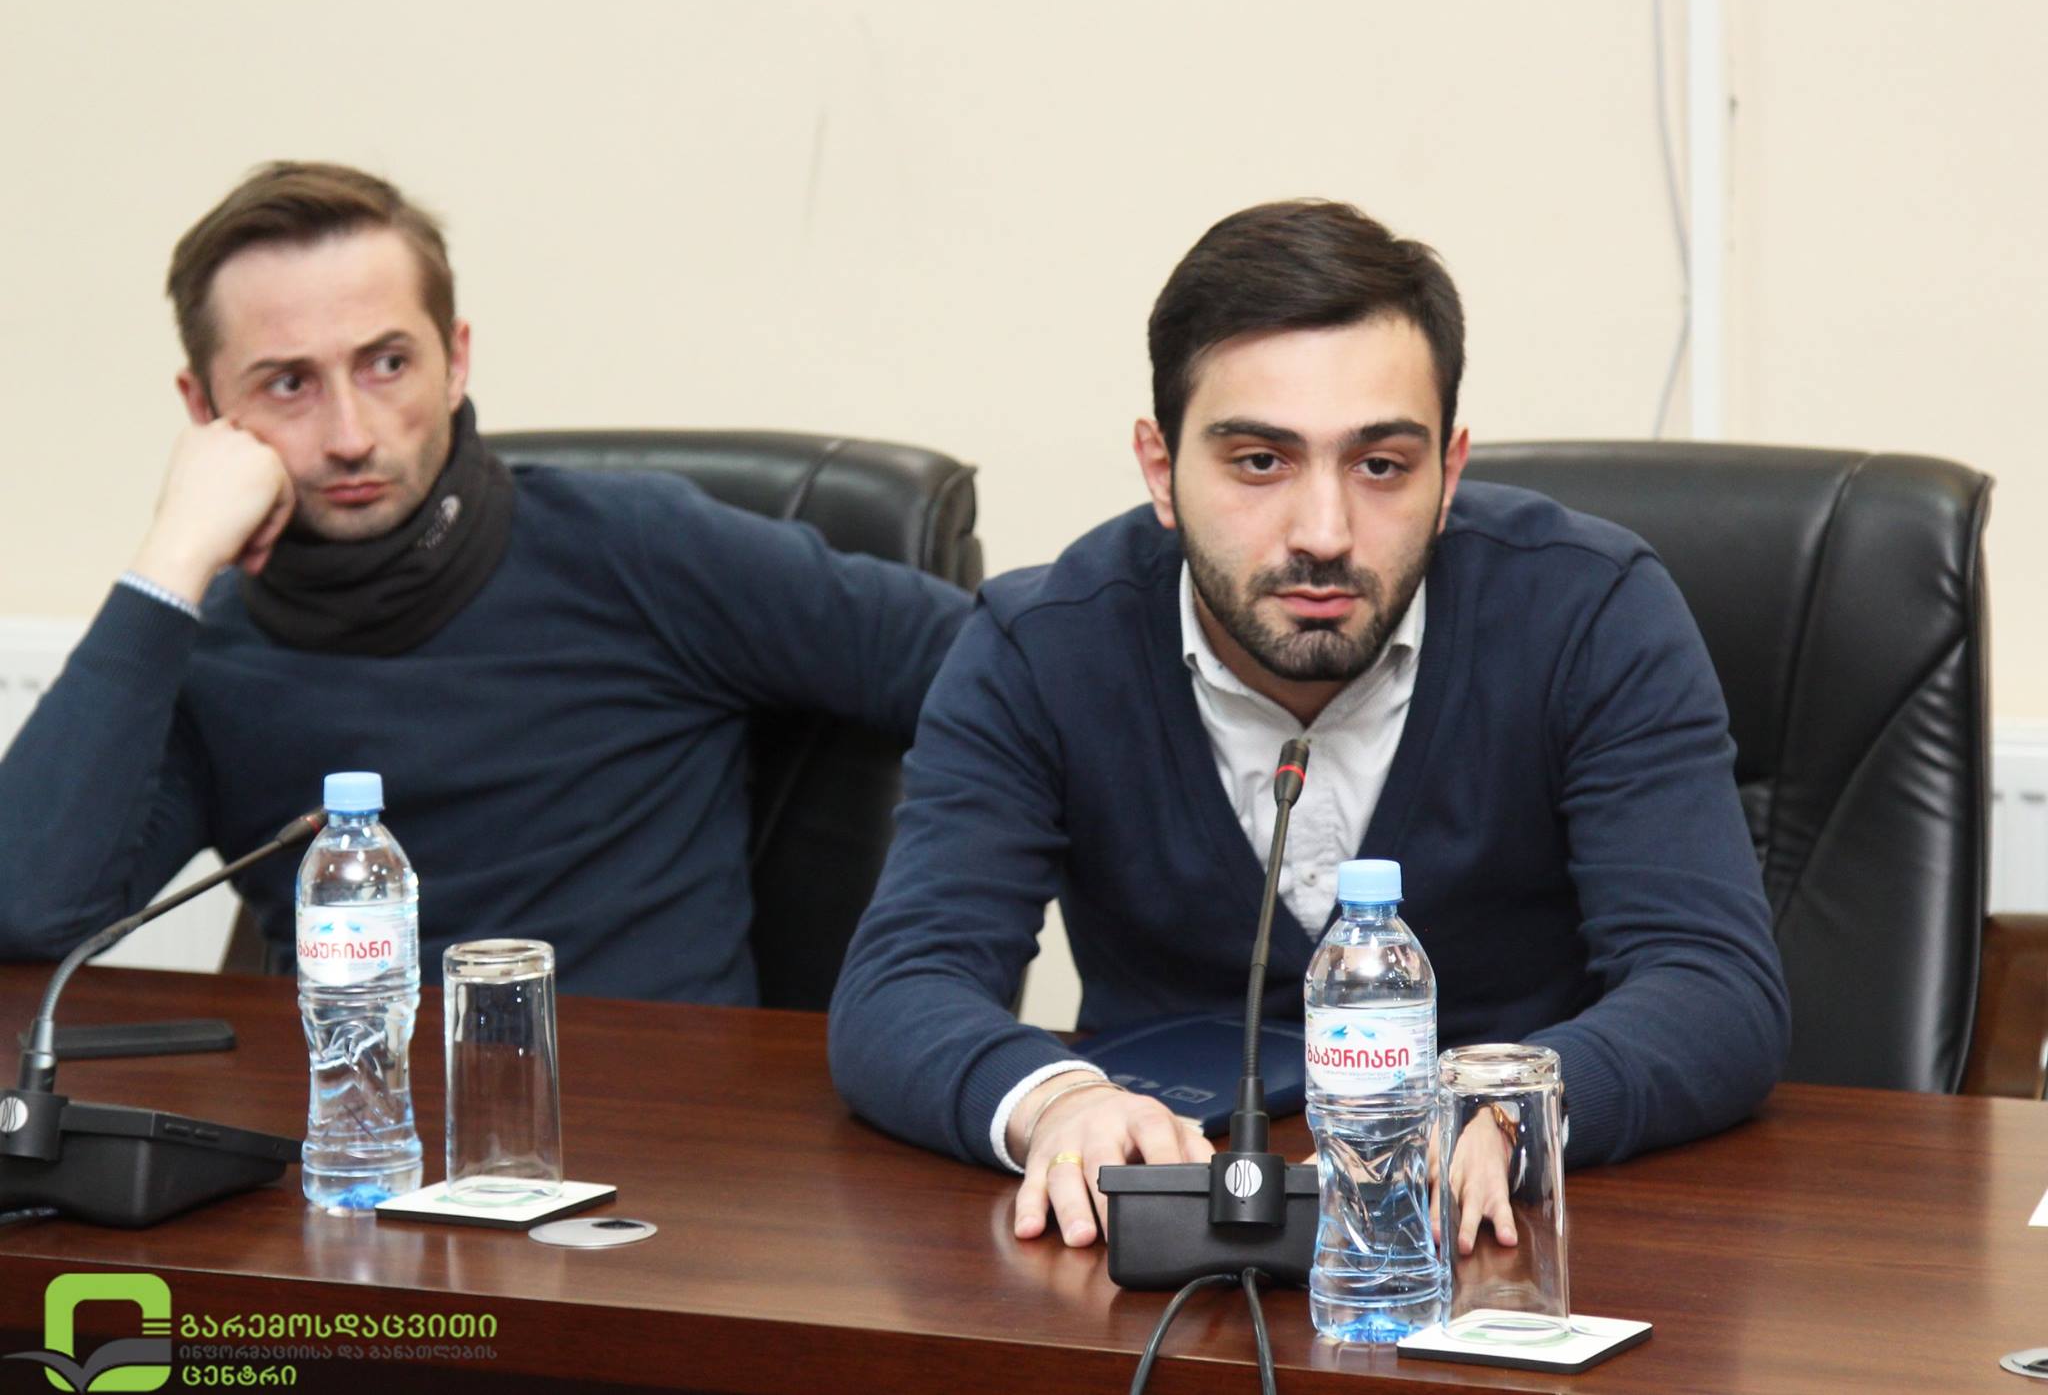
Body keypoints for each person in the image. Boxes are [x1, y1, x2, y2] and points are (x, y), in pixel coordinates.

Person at [829, 199, 1790, 1249]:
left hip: (1509, 1241)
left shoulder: (1590, 612)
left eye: (1380, 465)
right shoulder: (1041, 644)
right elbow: (902, 986)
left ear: (1448, 474)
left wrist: (1511, 1112)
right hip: (1164, 1238)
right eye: (1259, 461)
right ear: (1160, 469)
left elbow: (1713, 987)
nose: (1324, 534)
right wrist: (1057, 1101)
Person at [0, 161, 971, 1002]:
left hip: (656, 1130)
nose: (350, 435)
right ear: (203, 407)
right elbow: (27, 914)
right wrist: (171, 557)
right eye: (288, 384)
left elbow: (1003, 673)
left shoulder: (637, 547)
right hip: (348, 1134)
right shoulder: (206, 651)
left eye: (386, 364)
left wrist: (937, 976)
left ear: (455, 360)